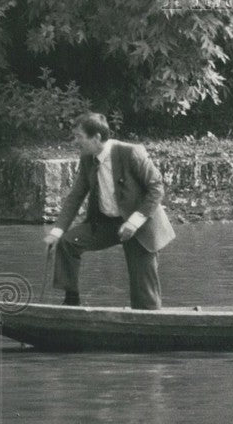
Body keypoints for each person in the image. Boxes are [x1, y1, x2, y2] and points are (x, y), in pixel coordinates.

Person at [43, 113, 176, 309]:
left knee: (144, 293)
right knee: (67, 243)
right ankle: (71, 303)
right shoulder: (88, 158)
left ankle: (149, 320)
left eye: (80, 136)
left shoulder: (131, 153)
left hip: (140, 225)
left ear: (96, 137)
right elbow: (76, 196)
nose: (76, 141)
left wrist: (134, 221)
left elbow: (156, 188)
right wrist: (57, 230)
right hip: (107, 223)